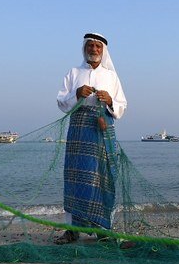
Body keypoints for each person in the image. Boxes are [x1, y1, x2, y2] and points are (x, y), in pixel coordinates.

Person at [54, 32, 128, 244]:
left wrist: (110, 100)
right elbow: (61, 102)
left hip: (103, 128)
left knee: (103, 176)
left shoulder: (111, 76)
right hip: (79, 129)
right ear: (84, 48)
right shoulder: (73, 72)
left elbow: (122, 105)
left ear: (103, 51)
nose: (94, 50)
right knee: (76, 176)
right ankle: (71, 230)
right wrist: (76, 94)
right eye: (90, 46)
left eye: (98, 47)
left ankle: (104, 229)